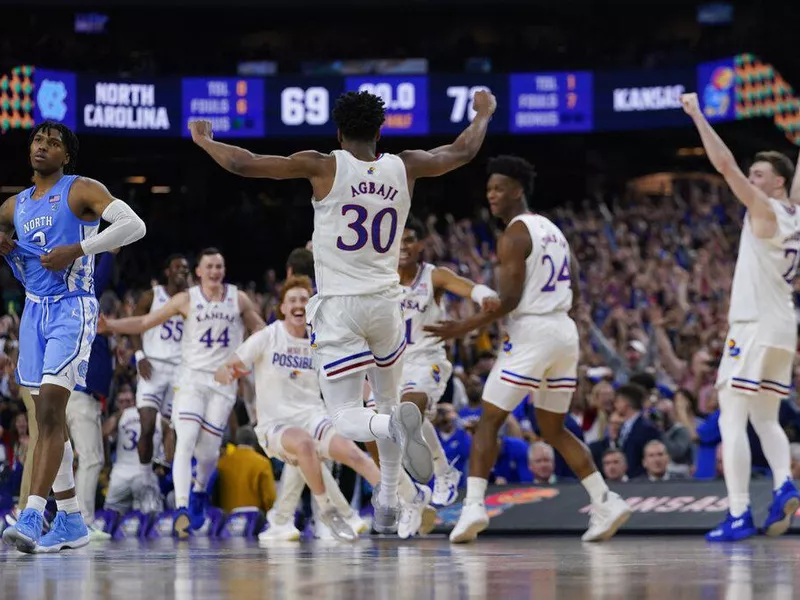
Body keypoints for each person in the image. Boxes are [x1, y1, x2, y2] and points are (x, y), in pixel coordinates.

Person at [188, 88, 496, 531]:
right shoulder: (404, 165)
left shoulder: (324, 164)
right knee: (390, 400)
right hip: (389, 304)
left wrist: (205, 141)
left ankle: (393, 435)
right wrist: (482, 114)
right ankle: (388, 498)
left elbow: (245, 163)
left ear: (338, 131)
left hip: (340, 306)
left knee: (348, 416)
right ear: (380, 129)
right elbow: (462, 150)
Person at [425, 155, 630, 543]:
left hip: (534, 330)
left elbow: (510, 300)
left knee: (488, 420)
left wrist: (461, 327)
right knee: (552, 427)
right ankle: (605, 501)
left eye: (499, 188)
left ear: (518, 189)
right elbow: (577, 290)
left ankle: (473, 508)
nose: (492, 195)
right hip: (563, 331)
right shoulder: (554, 231)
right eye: (488, 189)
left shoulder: (515, 234)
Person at [1, 121, 146, 554]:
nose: (43, 146)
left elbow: (133, 225)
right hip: (32, 313)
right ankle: (70, 519)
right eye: (38, 140)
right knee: (47, 420)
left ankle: (32, 513)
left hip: (72, 306)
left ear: (66, 156)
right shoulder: (16, 204)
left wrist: (80, 249)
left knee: (48, 410)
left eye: (54, 143)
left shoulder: (81, 189)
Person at [681, 92, 800, 541]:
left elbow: (724, 164)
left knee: (732, 417)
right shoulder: (797, 214)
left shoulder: (766, 210)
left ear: (776, 183)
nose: (751, 178)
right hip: (784, 327)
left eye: (760, 174)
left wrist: (697, 116)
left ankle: (737, 513)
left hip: (753, 326)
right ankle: (783, 483)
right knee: (766, 417)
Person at [100, 247, 265, 538]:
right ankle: (181, 506)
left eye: (219, 266)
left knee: (208, 452)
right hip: (189, 379)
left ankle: (199, 490)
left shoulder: (238, 298)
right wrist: (110, 325)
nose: (215, 271)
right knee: (185, 438)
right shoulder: (185, 299)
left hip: (222, 382)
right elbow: (143, 322)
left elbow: (262, 332)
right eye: (209, 267)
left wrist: (277, 343)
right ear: (199, 272)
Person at [215, 275, 384, 541]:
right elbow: (228, 365)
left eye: (304, 300)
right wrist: (225, 373)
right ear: (282, 307)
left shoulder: (321, 341)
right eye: (292, 300)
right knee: (305, 447)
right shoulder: (268, 336)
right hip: (276, 426)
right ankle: (330, 513)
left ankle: (397, 501)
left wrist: (375, 399)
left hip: (314, 417)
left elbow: (349, 378)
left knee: (352, 452)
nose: (298, 304)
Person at [398, 216, 499, 505]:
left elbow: (463, 285)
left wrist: (483, 294)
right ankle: (443, 472)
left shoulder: (433, 276)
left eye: (409, 240)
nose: (403, 246)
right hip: (390, 366)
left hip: (426, 359)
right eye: (397, 241)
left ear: (419, 246)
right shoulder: (380, 280)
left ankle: (435, 474)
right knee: (406, 421)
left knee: (410, 407)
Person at [130, 254, 189, 488]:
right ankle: (145, 480)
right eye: (178, 267)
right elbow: (134, 325)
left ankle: (169, 484)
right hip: (152, 366)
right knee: (146, 426)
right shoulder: (153, 296)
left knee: (174, 429)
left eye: (186, 268)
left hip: (179, 369)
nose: (182, 271)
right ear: (168, 271)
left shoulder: (193, 299)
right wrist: (139, 355)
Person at [102, 382, 165, 515]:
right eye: (122, 401)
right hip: (144, 475)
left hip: (120, 477)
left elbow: (104, 433)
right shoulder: (158, 417)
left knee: (109, 517)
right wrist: (165, 464)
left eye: (128, 401)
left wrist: (107, 463)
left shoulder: (119, 416)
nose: (125, 404)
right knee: (152, 518)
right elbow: (171, 437)